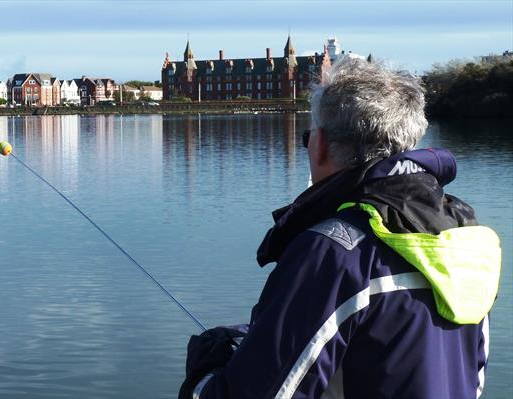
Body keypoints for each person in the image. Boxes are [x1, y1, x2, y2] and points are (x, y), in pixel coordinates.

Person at [179, 58, 502, 399]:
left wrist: (205, 370)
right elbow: (465, 373)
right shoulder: (463, 234)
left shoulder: (334, 253)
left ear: (319, 145)